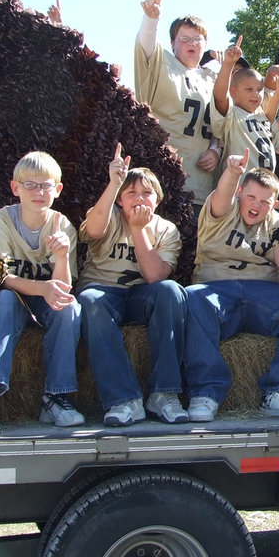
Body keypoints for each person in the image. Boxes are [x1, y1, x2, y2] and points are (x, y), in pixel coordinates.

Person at [183, 150, 279, 421]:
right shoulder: (224, 210)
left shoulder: (275, 223)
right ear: (240, 192)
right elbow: (222, 197)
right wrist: (232, 173)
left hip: (259, 295)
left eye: (265, 201)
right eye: (251, 197)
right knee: (192, 298)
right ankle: (205, 392)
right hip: (217, 289)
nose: (256, 205)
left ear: (274, 204)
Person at [0, 151, 83, 435]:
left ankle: (56, 396)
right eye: (29, 185)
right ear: (15, 188)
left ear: (57, 190)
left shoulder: (62, 226)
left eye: (45, 185)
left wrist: (61, 257)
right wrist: (42, 288)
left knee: (70, 307)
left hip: (45, 298)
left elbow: (63, 288)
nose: (38, 192)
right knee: (4, 301)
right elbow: (1, 278)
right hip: (15, 295)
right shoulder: (1, 221)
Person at [78, 146, 188, 426]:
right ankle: (123, 399)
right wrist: (114, 183)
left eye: (146, 193)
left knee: (171, 291)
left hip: (141, 295)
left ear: (157, 200)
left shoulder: (166, 230)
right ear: (119, 200)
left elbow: (155, 277)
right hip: (103, 292)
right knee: (89, 300)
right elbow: (93, 230)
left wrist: (139, 230)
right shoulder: (109, 214)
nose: (139, 198)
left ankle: (164, 393)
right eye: (130, 193)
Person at [135, 0, 219, 208]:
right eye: (184, 38)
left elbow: (225, 124)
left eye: (197, 39)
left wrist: (216, 149)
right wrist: (151, 20)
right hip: (163, 182)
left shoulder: (214, 79)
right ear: (172, 43)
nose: (192, 43)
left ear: (205, 44)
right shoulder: (162, 64)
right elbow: (146, 48)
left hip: (203, 184)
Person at [211, 37, 279, 173]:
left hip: (265, 183)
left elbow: (271, 110)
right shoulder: (232, 115)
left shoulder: (261, 114)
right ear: (233, 91)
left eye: (259, 90)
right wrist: (228, 64)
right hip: (241, 183)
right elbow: (220, 97)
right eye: (249, 89)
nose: (255, 94)